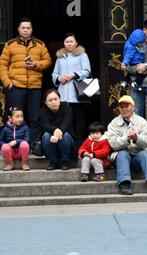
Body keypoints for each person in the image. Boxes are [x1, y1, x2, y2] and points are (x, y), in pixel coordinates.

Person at [0, 17, 52, 146]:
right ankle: (13, 145)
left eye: (28, 28)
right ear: (18, 29)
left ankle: (32, 145)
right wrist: (8, 83)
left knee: (34, 117)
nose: (25, 30)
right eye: (23, 28)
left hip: (35, 87)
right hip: (16, 86)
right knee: (15, 116)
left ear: (32, 29)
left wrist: (36, 64)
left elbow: (48, 61)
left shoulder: (40, 44)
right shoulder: (10, 44)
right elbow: (2, 65)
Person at [105, 95, 147, 195]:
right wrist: (127, 139)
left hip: (138, 156)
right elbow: (113, 144)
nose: (124, 109)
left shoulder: (142, 122)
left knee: (144, 154)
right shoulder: (113, 123)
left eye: (126, 106)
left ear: (133, 107)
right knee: (123, 154)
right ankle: (124, 184)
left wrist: (137, 138)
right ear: (119, 109)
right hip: (121, 158)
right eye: (121, 107)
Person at [52, 33, 92, 150]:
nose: (69, 44)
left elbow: (87, 71)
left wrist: (74, 74)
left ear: (76, 43)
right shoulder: (60, 57)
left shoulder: (82, 55)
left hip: (77, 91)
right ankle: (68, 141)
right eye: (67, 42)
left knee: (79, 118)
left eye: (71, 41)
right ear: (64, 44)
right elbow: (55, 73)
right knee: (65, 118)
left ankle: (79, 142)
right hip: (63, 92)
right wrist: (58, 78)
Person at [38, 88, 75, 170]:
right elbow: (44, 125)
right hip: (50, 141)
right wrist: (55, 130)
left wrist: (58, 132)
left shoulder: (67, 108)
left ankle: (64, 161)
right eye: (50, 100)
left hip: (66, 141)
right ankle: (53, 161)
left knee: (65, 135)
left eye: (55, 99)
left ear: (59, 99)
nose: (53, 102)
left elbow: (66, 123)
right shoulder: (42, 111)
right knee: (46, 135)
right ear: (45, 102)